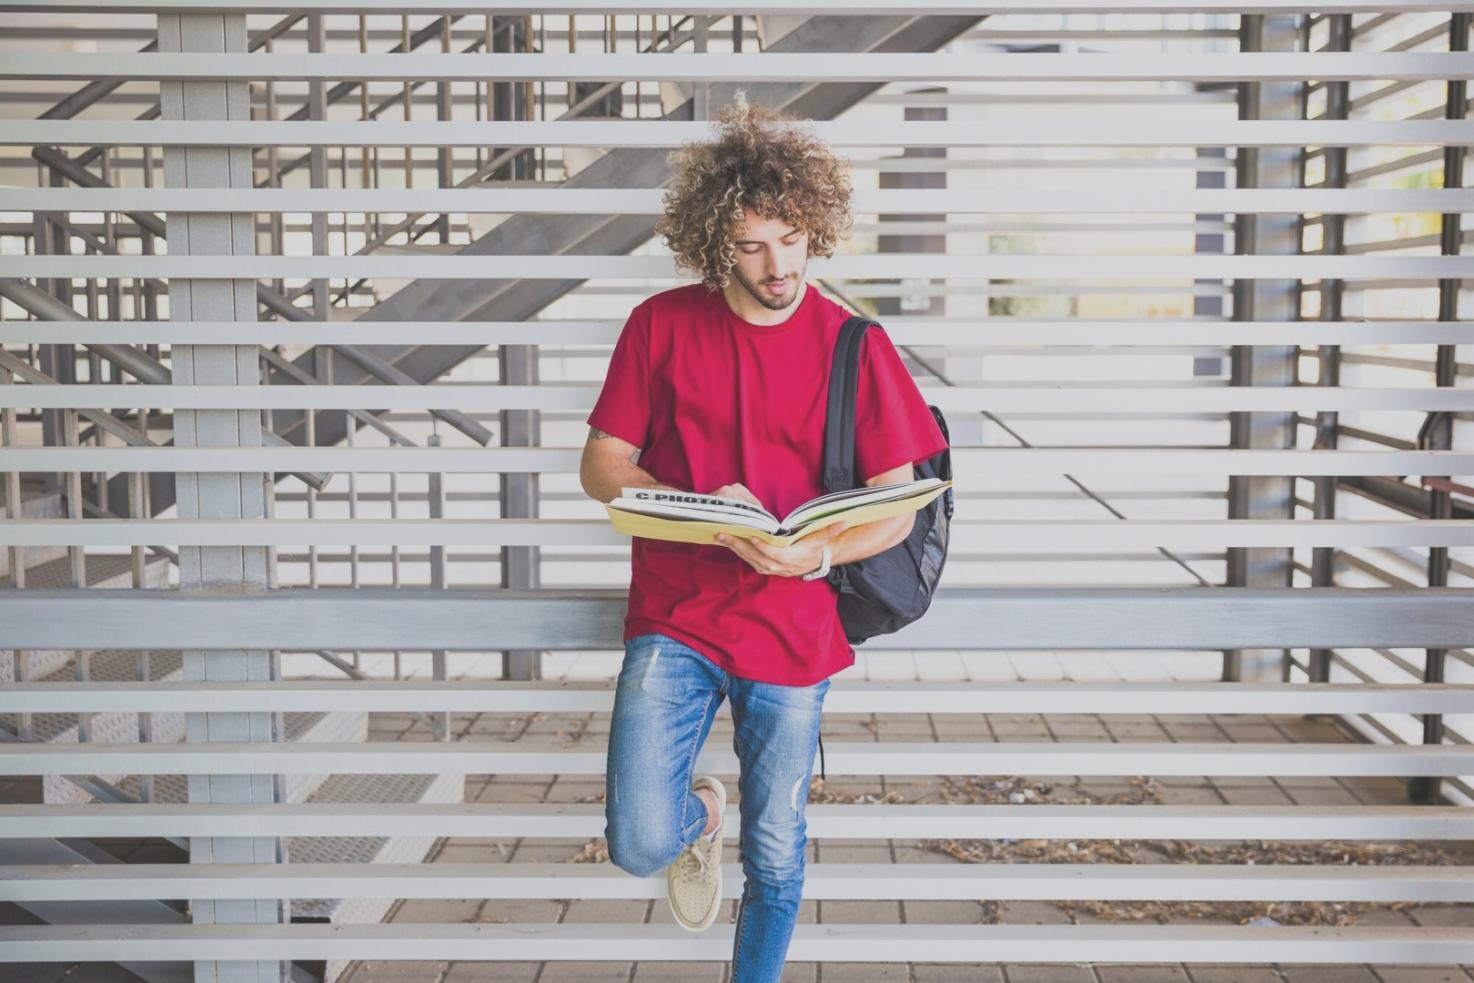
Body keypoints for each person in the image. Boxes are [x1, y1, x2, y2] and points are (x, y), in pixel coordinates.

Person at [579, 96, 948, 981]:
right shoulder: (660, 326)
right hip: (676, 616)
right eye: (750, 244)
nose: (776, 264)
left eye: (789, 238)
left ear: (814, 226)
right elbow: (602, 468)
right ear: (716, 242)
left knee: (778, 856)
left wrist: (815, 553)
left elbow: (898, 508)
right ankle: (701, 818)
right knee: (636, 840)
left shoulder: (857, 345)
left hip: (794, 632)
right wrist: (707, 509)